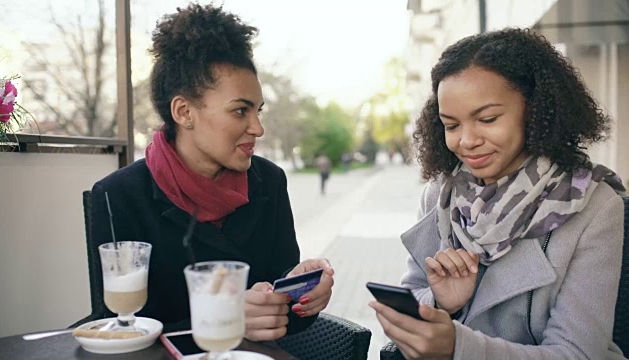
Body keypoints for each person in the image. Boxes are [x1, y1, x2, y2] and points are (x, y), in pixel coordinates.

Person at [369, 28, 627, 359]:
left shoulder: (593, 205)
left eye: (487, 119)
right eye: (451, 125)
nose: (467, 140)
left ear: (535, 111)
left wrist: (459, 347)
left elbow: (577, 353)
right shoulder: (440, 196)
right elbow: (413, 294)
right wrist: (442, 304)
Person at [84, 3, 334, 341]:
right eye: (241, 111)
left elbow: (286, 317)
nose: (257, 128)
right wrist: (225, 316)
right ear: (184, 111)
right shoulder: (119, 196)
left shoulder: (269, 182)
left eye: (258, 111)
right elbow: (119, 327)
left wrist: (302, 295)